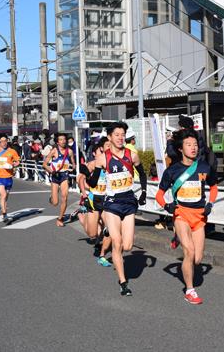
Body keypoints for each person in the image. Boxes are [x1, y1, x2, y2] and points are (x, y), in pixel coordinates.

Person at [156, 129, 218, 305]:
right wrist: (166, 206)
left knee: (197, 259)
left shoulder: (205, 167)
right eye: (188, 145)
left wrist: (210, 204)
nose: (193, 148)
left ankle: (178, 238)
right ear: (181, 149)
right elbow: (160, 194)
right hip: (181, 214)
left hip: (199, 217)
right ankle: (189, 290)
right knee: (189, 252)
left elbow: (214, 187)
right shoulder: (172, 171)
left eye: (195, 145)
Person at [94, 122, 148, 296]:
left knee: (128, 245)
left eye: (122, 134)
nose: (120, 137)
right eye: (116, 134)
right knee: (117, 244)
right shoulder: (103, 158)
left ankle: (110, 229)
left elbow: (143, 173)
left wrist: (144, 192)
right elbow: (93, 181)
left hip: (129, 202)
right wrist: (90, 183)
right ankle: (123, 282)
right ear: (109, 137)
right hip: (112, 203)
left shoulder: (132, 155)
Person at [77, 136, 112, 267]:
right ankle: (82, 216)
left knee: (111, 230)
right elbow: (81, 179)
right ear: (102, 148)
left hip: (108, 200)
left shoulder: (114, 162)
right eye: (108, 145)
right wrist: (85, 194)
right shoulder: (93, 164)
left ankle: (102, 255)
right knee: (93, 234)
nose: (110, 147)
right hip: (94, 199)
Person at [0, 134, 21, 224]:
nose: (4, 143)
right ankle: (4, 214)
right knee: (3, 195)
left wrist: (13, 165)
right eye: (2, 141)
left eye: (5, 141)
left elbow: (18, 161)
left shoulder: (12, 151)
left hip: (8, 177)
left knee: (5, 197)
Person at [43, 133, 75, 227]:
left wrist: (73, 167)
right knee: (55, 203)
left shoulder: (69, 151)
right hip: (55, 175)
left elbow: (73, 162)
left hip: (64, 175)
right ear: (57, 141)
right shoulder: (54, 151)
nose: (63, 141)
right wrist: (51, 170)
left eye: (64, 139)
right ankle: (52, 198)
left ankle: (60, 218)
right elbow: (44, 164)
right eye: (61, 139)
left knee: (65, 197)